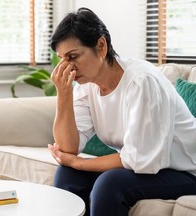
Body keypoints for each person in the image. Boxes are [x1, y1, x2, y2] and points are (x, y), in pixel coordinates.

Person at [47, 7, 196, 216]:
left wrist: (79, 162)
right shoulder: (85, 86)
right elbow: (67, 149)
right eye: (63, 59)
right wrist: (64, 94)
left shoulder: (141, 82)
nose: (68, 68)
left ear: (101, 46)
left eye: (73, 57)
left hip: (184, 171)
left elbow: (141, 159)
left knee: (110, 184)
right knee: (68, 174)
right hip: (147, 167)